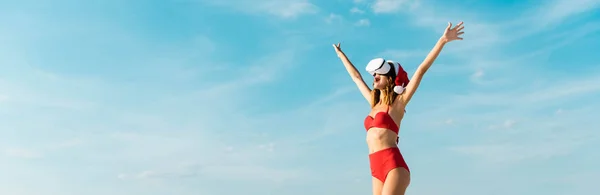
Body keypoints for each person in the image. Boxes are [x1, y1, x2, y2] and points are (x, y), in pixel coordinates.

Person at [332, 22, 465, 195]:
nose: (374, 77)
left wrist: (443, 40)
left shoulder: (398, 103)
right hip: (375, 166)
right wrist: (341, 55)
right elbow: (357, 78)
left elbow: (421, 70)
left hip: (393, 165)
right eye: (374, 75)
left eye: (379, 74)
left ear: (390, 79)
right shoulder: (373, 103)